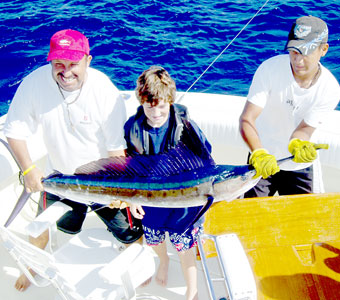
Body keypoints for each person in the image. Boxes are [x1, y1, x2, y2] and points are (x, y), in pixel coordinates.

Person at [4, 29, 143, 291]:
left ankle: (135, 268)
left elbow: (116, 151)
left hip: (104, 181)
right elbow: (14, 131)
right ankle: (34, 265)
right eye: (59, 64)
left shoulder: (105, 93)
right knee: (37, 231)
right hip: (59, 177)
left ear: (88, 60)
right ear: (50, 61)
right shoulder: (34, 84)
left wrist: (120, 191)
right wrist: (29, 170)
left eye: (73, 64)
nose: (65, 71)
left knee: (131, 235)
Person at [125, 66, 211, 300]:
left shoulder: (186, 125)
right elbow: (131, 168)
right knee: (153, 238)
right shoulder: (132, 128)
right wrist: (131, 200)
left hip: (185, 201)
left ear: (171, 102)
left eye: (162, 106)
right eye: (149, 107)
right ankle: (163, 261)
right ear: (141, 102)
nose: (155, 114)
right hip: (151, 199)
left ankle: (192, 289)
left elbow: (206, 160)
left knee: (185, 247)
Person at [239, 15, 340, 197]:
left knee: (305, 222)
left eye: (305, 52)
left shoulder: (330, 89)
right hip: (262, 159)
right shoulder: (269, 69)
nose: (297, 60)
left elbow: (304, 129)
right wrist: (259, 153)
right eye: (294, 51)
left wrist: (297, 143)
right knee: (249, 219)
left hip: (298, 164)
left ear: (323, 49)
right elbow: (247, 119)